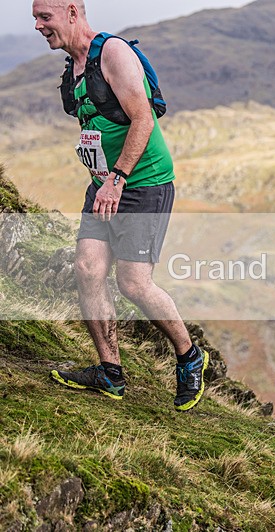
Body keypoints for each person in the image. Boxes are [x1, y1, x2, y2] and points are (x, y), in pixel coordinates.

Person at [34, 1, 208, 410]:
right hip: (105, 184)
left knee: (133, 283)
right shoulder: (73, 69)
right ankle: (109, 372)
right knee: (88, 268)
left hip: (142, 184)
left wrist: (118, 178)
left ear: (73, 11)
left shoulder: (112, 52)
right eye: (36, 18)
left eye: (46, 17)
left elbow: (143, 119)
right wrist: (101, 175)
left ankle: (188, 355)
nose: (39, 26)